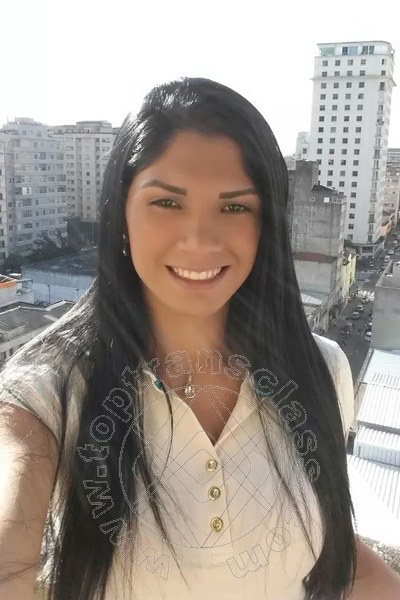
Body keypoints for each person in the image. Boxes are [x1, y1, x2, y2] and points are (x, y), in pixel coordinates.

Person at [1, 77, 400, 600]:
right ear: (121, 212)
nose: (199, 240)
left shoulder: (321, 370)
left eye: (234, 207)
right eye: (167, 203)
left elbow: (335, 557)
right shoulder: (48, 394)